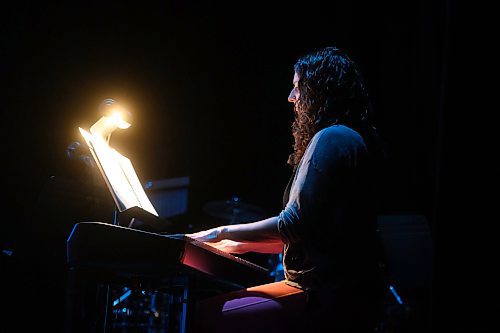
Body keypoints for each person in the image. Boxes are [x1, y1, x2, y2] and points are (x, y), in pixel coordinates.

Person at [187, 46, 387, 333]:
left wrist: (222, 232)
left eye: (297, 87)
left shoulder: (332, 138)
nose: (291, 97)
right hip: (342, 294)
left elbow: (294, 224)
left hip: (324, 295)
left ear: (319, 91)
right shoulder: (347, 138)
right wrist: (237, 245)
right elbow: (312, 233)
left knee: (202, 317)